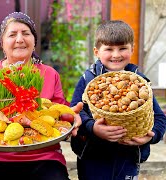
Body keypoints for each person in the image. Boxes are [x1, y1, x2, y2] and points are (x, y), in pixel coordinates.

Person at [0, 12, 83, 180]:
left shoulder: (49, 74)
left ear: (34, 42)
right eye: (12, 34)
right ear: (2, 44)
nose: (19, 39)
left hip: (44, 158)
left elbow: (60, 115)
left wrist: (72, 115)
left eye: (26, 33)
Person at [70, 20, 166, 180]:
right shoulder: (88, 79)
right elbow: (75, 113)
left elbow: (160, 118)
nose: (116, 54)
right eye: (109, 49)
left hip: (128, 156)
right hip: (93, 156)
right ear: (96, 51)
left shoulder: (141, 82)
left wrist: (151, 135)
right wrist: (93, 128)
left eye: (122, 48)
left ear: (132, 49)